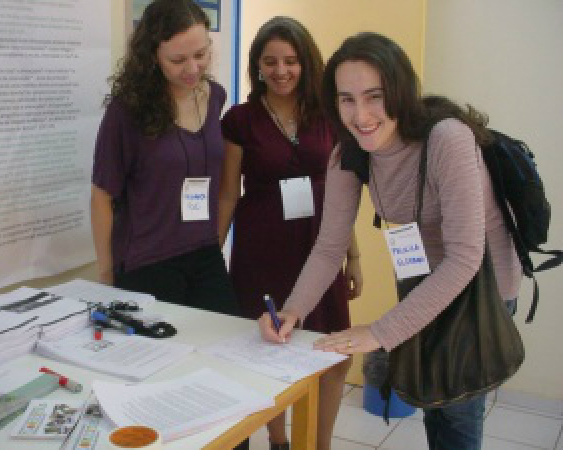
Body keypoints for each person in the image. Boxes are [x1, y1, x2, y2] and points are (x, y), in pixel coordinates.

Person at [258, 32, 522, 450]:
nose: (360, 114)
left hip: (481, 285)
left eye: (373, 96)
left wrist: (379, 332)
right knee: (432, 397)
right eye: (346, 99)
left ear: (398, 91)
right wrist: (293, 310)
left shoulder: (447, 139)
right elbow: (329, 247)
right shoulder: (349, 152)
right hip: (424, 280)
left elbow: (466, 257)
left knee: (456, 411)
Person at [219, 17, 362, 450]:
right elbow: (228, 193)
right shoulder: (240, 119)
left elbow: (344, 193)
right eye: (270, 62)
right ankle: (279, 440)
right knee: (271, 350)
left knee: (335, 356)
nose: (281, 71)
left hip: (321, 244)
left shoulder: (328, 114)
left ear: (306, 63)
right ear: (257, 66)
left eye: (291, 61)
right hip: (263, 247)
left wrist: (353, 256)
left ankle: (319, 445)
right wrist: (212, 251)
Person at [90, 0, 239, 317]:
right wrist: (105, 276)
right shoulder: (127, 111)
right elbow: (102, 194)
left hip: (204, 252)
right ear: (152, 57)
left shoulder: (216, 97)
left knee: (229, 345)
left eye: (201, 55)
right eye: (177, 60)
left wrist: (216, 239)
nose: (192, 69)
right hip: (149, 261)